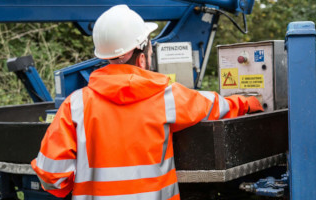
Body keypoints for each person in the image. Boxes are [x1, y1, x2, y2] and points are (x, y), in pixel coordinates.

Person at [31, 5, 264, 200]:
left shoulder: (76, 106)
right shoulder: (167, 97)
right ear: (141, 57)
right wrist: (248, 102)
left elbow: (51, 175)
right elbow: (214, 105)